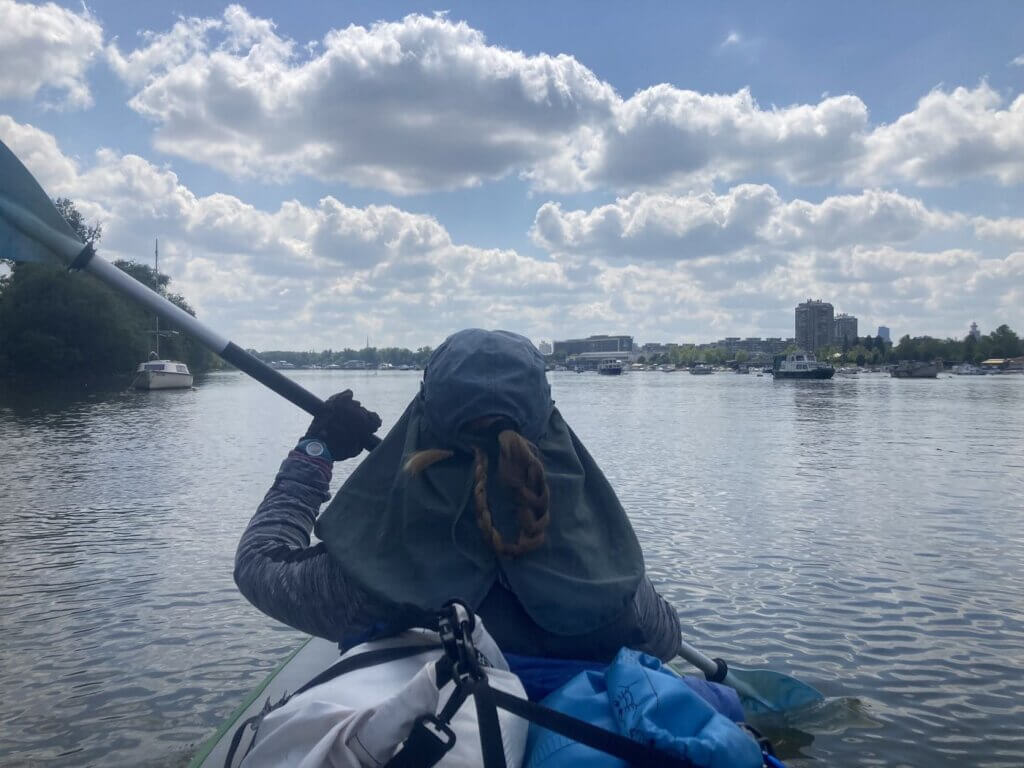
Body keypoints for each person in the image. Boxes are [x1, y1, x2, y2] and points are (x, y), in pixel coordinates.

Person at [234, 329, 681, 662]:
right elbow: (667, 640)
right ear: (549, 425)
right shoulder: (615, 592)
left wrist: (317, 449)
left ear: (421, 420)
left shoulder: (365, 586)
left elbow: (260, 564)